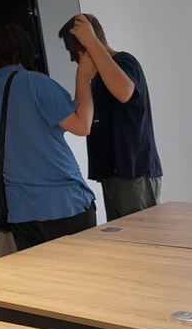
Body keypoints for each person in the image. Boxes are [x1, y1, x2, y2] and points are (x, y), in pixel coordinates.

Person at [0, 22, 97, 251]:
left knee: (43, 274)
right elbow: (82, 125)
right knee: (86, 271)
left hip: (22, 213)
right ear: (24, 50)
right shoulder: (35, 84)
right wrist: (83, 77)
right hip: (64, 204)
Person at [58, 14, 162, 221]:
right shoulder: (97, 78)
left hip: (133, 174)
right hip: (114, 175)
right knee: (123, 238)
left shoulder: (124, 62)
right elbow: (83, 119)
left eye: (73, 52)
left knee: (140, 237)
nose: (72, 59)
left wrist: (91, 42)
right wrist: (83, 78)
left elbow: (125, 92)